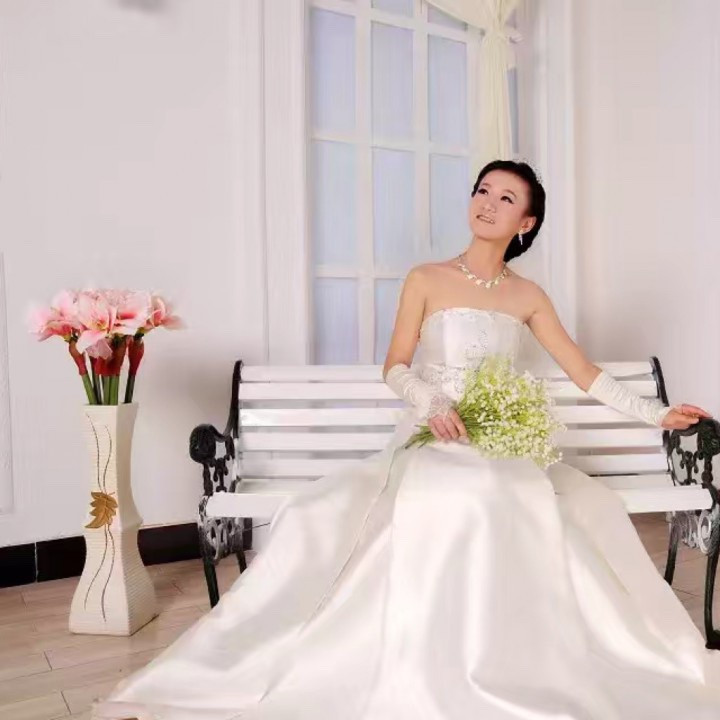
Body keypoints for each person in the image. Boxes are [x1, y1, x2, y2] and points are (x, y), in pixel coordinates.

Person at [93, 160, 720, 720]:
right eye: (482, 191)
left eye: (506, 198)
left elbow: (583, 372)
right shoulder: (426, 278)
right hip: (433, 432)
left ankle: (507, 655)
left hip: (499, 440)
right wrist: (431, 401)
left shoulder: (529, 296)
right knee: (439, 494)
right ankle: (424, 654)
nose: (487, 203)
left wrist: (657, 413)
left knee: (510, 492)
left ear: (526, 223)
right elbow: (395, 365)